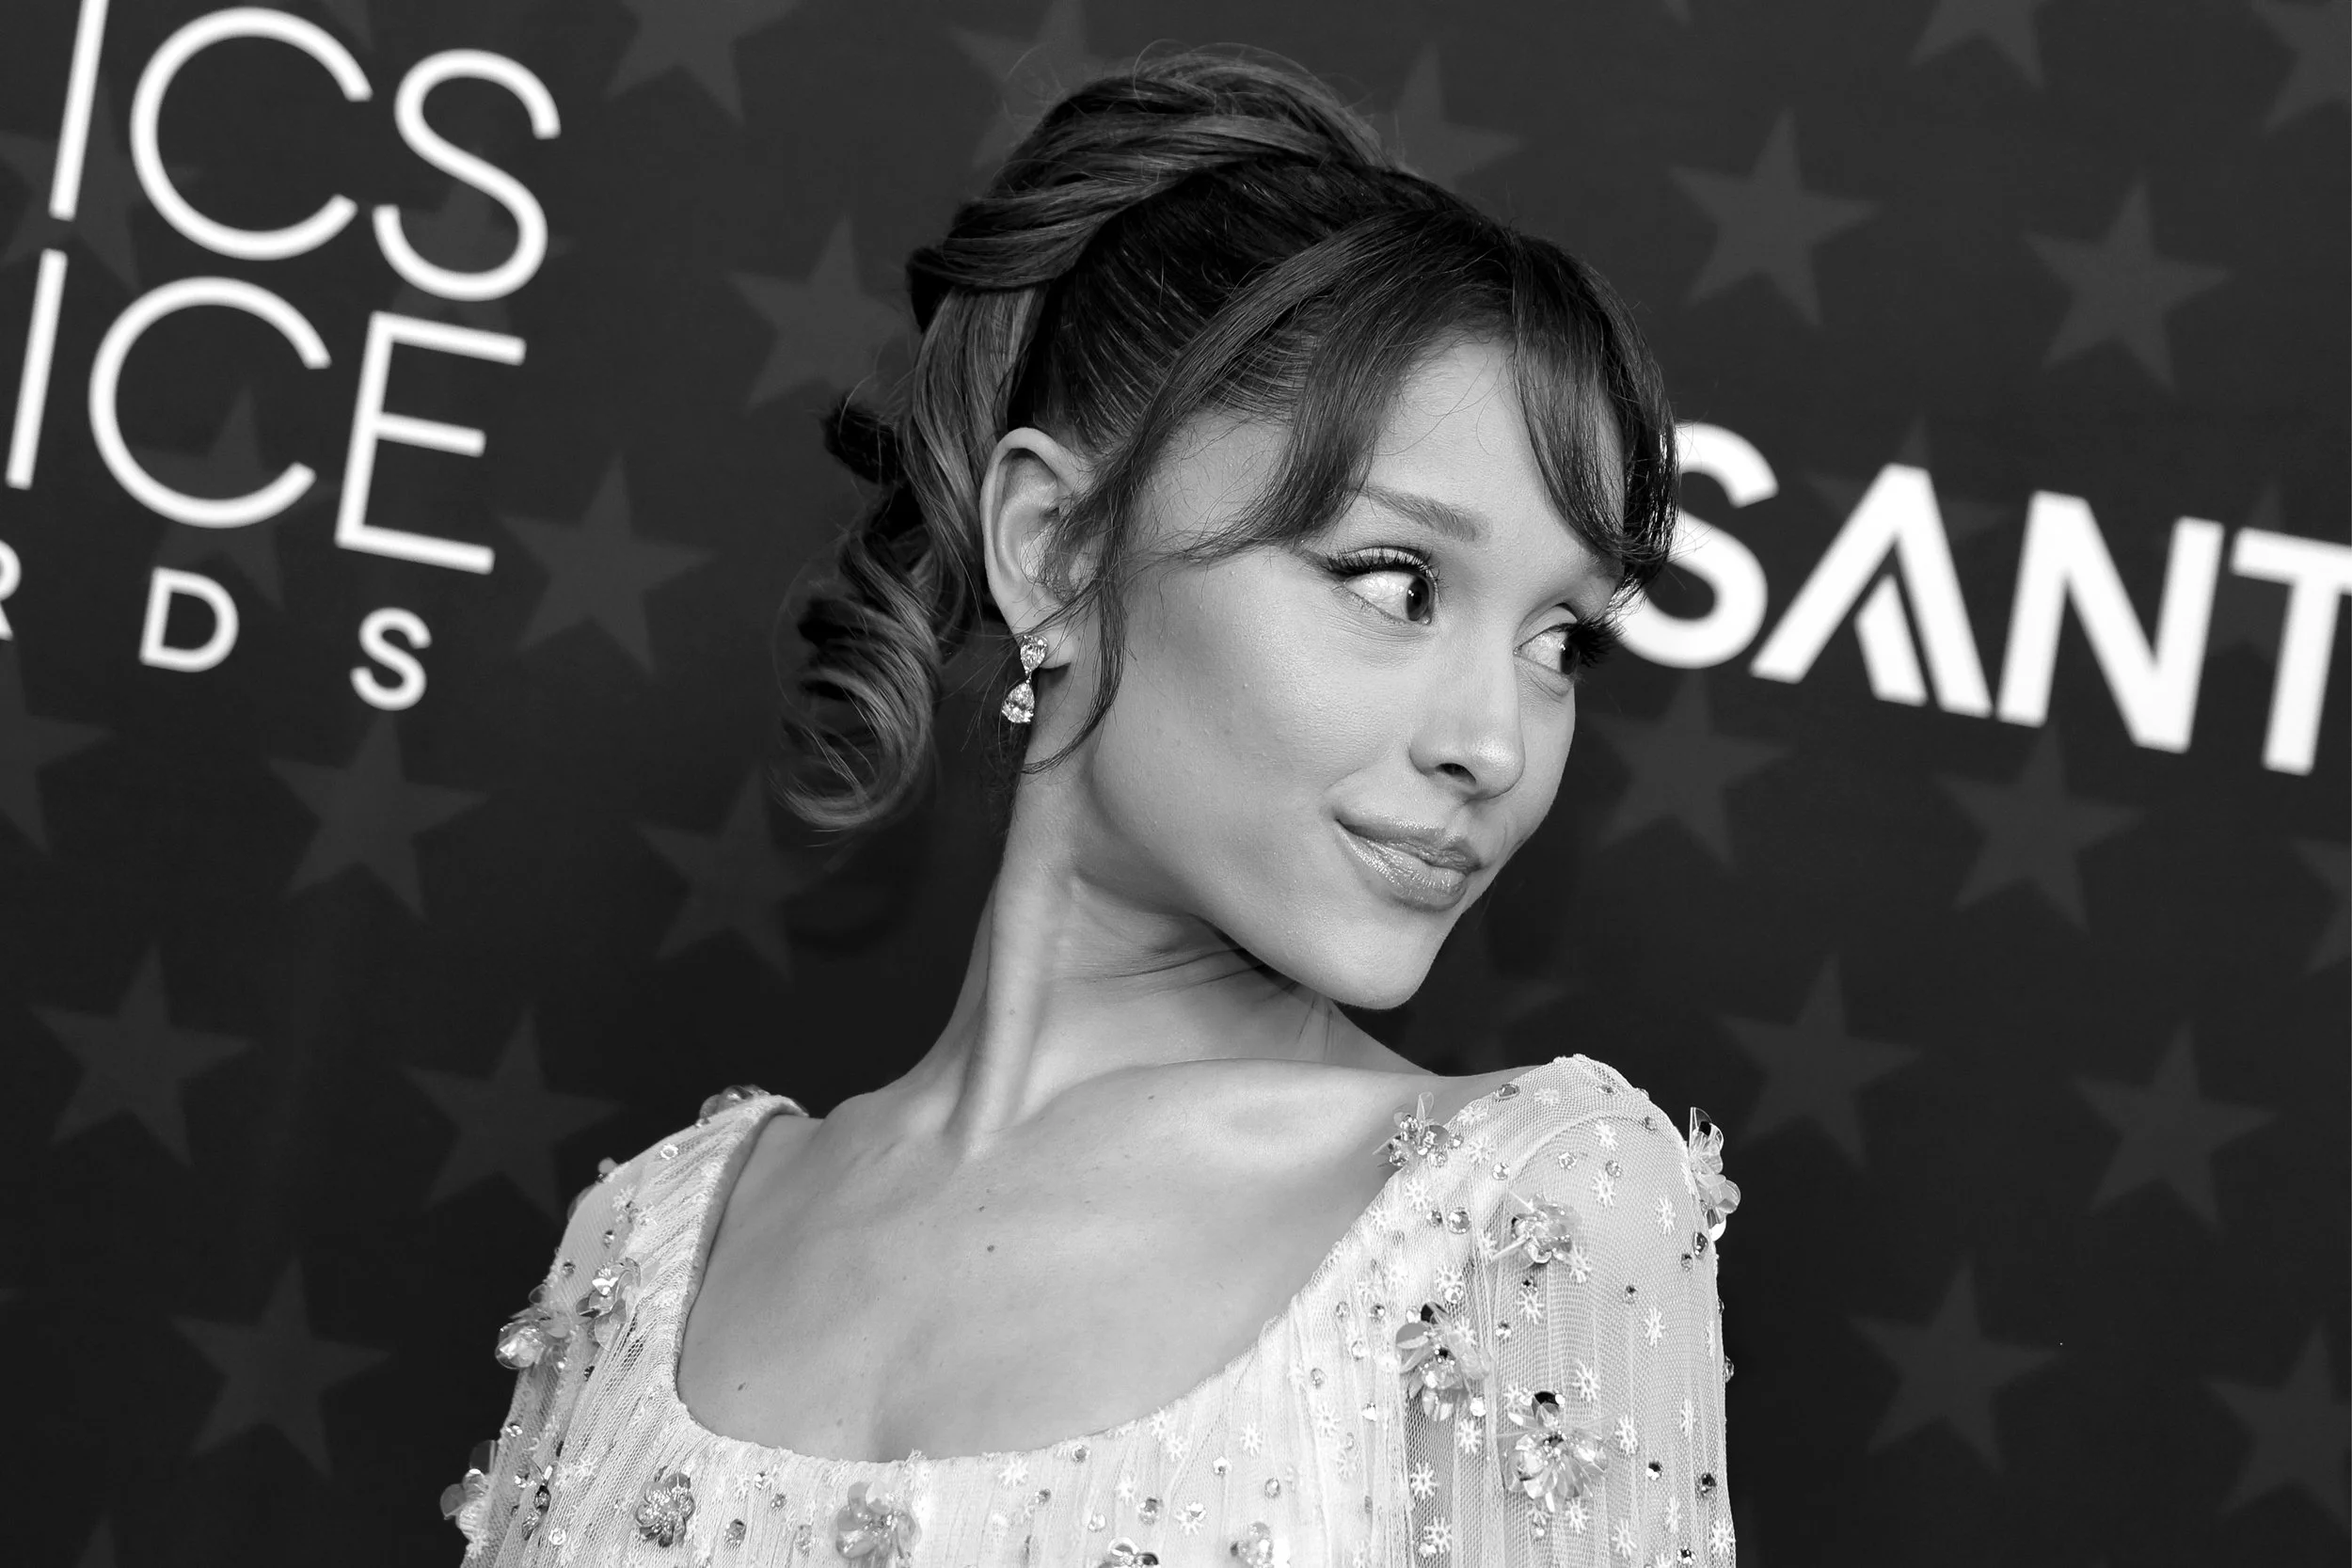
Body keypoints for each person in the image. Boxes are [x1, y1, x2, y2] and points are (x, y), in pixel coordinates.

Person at [443, 50, 1740, 1568]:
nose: (1495, 742)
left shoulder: (1529, 1214)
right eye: (1397, 584)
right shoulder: (648, 1242)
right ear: (1054, 546)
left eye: (1562, 641)